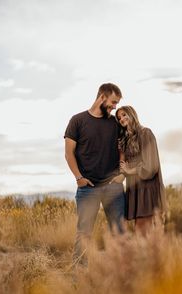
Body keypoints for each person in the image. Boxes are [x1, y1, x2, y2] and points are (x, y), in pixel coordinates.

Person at [64, 83, 125, 264]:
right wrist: (79, 178)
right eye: (113, 102)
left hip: (113, 188)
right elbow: (69, 153)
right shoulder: (77, 120)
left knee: (120, 233)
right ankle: (79, 281)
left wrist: (122, 173)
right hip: (88, 189)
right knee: (84, 234)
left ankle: (124, 276)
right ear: (102, 97)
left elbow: (124, 147)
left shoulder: (116, 123)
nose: (115, 107)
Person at [115, 105, 166, 236]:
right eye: (119, 117)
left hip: (146, 188)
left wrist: (129, 170)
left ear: (132, 114)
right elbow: (123, 164)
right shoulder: (126, 139)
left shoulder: (145, 133)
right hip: (134, 188)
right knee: (140, 230)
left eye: (124, 115)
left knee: (143, 230)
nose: (121, 119)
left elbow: (151, 166)